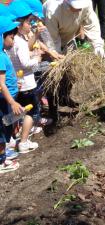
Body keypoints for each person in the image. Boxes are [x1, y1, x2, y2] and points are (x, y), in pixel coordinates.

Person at [8, 1, 44, 153]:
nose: (31, 25)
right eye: (29, 22)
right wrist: (37, 59)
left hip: (17, 82)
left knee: (17, 112)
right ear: (19, 24)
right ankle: (23, 142)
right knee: (32, 113)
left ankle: (12, 138)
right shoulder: (20, 42)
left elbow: (17, 59)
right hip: (27, 84)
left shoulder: (11, 41)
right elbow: (25, 63)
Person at [0, 16, 22, 173]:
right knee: (1, 129)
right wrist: (12, 102)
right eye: (11, 37)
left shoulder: (2, 53)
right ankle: (2, 162)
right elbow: (0, 84)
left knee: (6, 126)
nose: (13, 41)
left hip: (6, 99)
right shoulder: (0, 57)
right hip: (4, 100)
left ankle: (3, 153)